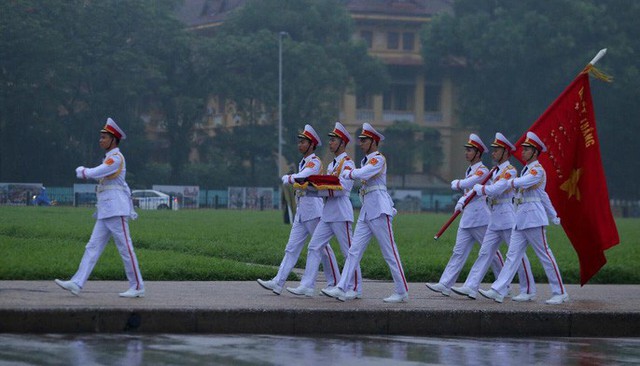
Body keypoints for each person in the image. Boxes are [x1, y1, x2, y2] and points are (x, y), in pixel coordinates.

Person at [55, 118, 144, 298]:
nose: (100, 140)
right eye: (101, 137)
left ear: (114, 140)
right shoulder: (110, 158)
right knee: (92, 246)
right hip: (106, 210)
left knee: (125, 248)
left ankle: (137, 286)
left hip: (116, 209)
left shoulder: (116, 159)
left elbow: (98, 172)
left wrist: (83, 172)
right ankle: (77, 282)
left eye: (104, 137)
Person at [322, 123, 408, 303]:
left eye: (364, 140)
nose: (360, 143)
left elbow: (365, 173)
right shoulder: (366, 160)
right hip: (367, 210)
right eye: (360, 140)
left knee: (390, 252)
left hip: (378, 210)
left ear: (374, 142)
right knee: (354, 251)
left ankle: (402, 291)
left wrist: (349, 173)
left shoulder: (378, 159)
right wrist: (351, 172)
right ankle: (341, 287)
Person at [479, 131, 568, 305]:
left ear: (535, 152)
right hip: (521, 220)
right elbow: (544, 196)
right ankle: (501, 290)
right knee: (512, 255)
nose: (523, 151)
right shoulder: (526, 170)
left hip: (534, 219)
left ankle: (560, 292)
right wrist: (554, 214)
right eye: (524, 148)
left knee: (545, 256)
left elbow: (525, 184)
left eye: (527, 149)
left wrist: (509, 182)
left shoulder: (537, 170)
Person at [451, 133, 536, 301]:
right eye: (493, 150)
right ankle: (471, 286)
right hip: (495, 217)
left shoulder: (510, 171)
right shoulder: (494, 171)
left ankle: (528, 290)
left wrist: (479, 188)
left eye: (497, 150)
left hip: (507, 216)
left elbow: (496, 189)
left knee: (517, 255)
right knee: (485, 253)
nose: (493, 153)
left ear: (505, 152)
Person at [257, 124, 339, 295]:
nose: (299, 145)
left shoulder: (315, 162)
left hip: (313, 210)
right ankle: (278, 282)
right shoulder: (304, 163)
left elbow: (304, 177)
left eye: (303, 142)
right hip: (302, 211)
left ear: (312, 145)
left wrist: (288, 177)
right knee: (291, 248)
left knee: (323, 248)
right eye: (299, 142)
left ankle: (335, 283)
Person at [287, 122, 361, 297]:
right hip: (328, 213)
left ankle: (355, 288)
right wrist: (309, 188)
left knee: (349, 251)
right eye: (330, 140)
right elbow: (327, 188)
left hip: (341, 213)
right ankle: (307, 285)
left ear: (342, 143)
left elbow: (343, 188)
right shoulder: (331, 166)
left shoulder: (348, 164)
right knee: (314, 247)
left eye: (334, 140)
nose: (330, 143)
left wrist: (319, 189)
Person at [426, 134, 504, 297]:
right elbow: (469, 192)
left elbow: (468, 185)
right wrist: (461, 201)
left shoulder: (482, 170)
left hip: (481, 217)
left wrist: (457, 183)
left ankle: (504, 284)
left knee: (492, 254)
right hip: (468, 217)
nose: (466, 153)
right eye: (466, 150)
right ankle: (445, 284)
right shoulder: (470, 169)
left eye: (470, 150)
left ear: (478, 153)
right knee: (458, 252)